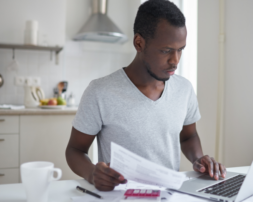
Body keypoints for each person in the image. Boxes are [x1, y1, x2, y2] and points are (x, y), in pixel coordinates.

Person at [66, 0, 226, 191]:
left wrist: (198, 159)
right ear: (139, 43)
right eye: (166, 50)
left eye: (180, 50)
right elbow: (75, 150)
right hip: (120, 195)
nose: (175, 61)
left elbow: (188, 136)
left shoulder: (184, 89)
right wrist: (92, 173)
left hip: (168, 194)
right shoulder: (100, 91)